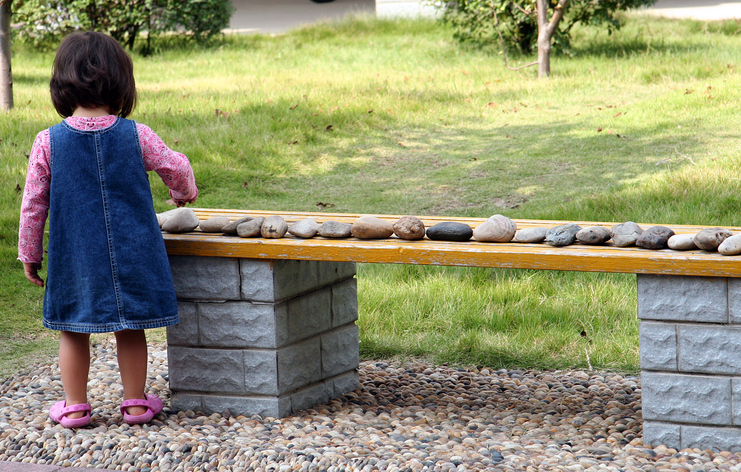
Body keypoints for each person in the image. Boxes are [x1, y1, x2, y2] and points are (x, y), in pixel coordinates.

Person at [17, 31, 198, 428]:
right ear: (121, 81)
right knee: (130, 326)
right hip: (134, 252)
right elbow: (177, 167)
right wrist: (182, 193)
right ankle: (135, 404)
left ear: (61, 82)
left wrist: (29, 254)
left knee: (72, 328)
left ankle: (76, 406)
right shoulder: (138, 134)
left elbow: (33, 205)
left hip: (75, 257)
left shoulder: (48, 142)